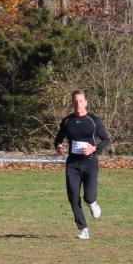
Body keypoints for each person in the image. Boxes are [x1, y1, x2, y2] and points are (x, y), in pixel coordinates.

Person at [54, 89, 111, 239]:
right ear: (72, 103)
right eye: (75, 101)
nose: (78, 104)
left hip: (90, 163)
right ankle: (83, 229)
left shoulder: (94, 120)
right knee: (73, 196)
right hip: (73, 164)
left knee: (89, 196)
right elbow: (58, 139)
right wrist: (59, 147)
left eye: (80, 101)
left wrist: (94, 148)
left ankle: (92, 203)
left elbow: (106, 140)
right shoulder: (67, 121)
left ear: (85, 102)